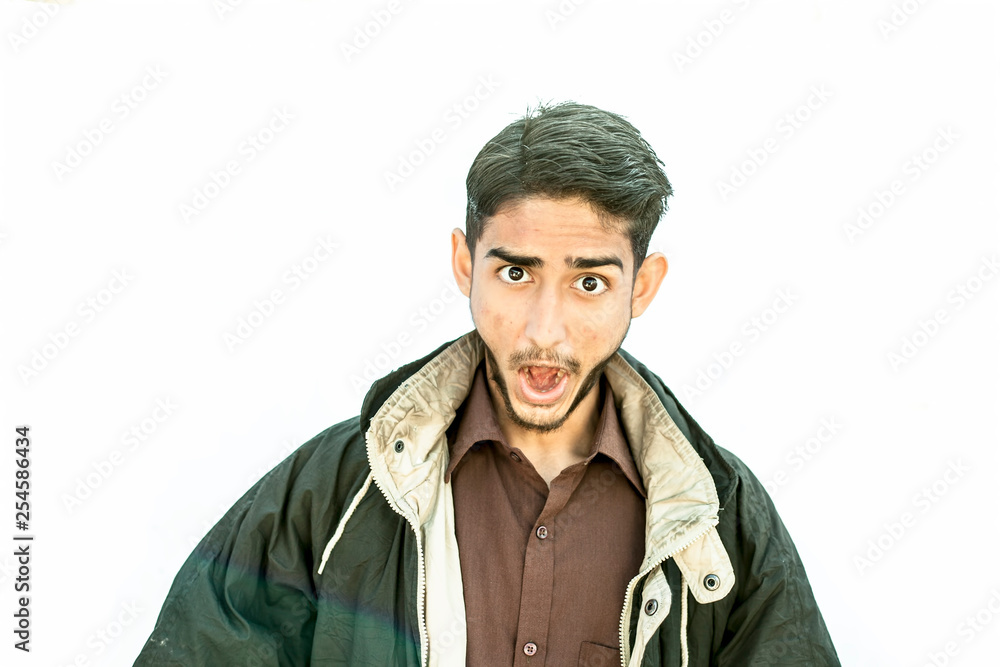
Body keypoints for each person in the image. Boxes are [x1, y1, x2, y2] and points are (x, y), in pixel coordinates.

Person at [135, 102, 840, 666]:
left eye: (589, 281)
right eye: (516, 272)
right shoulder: (337, 494)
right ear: (465, 264)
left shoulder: (719, 523)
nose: (545, 329)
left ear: (643, 286)